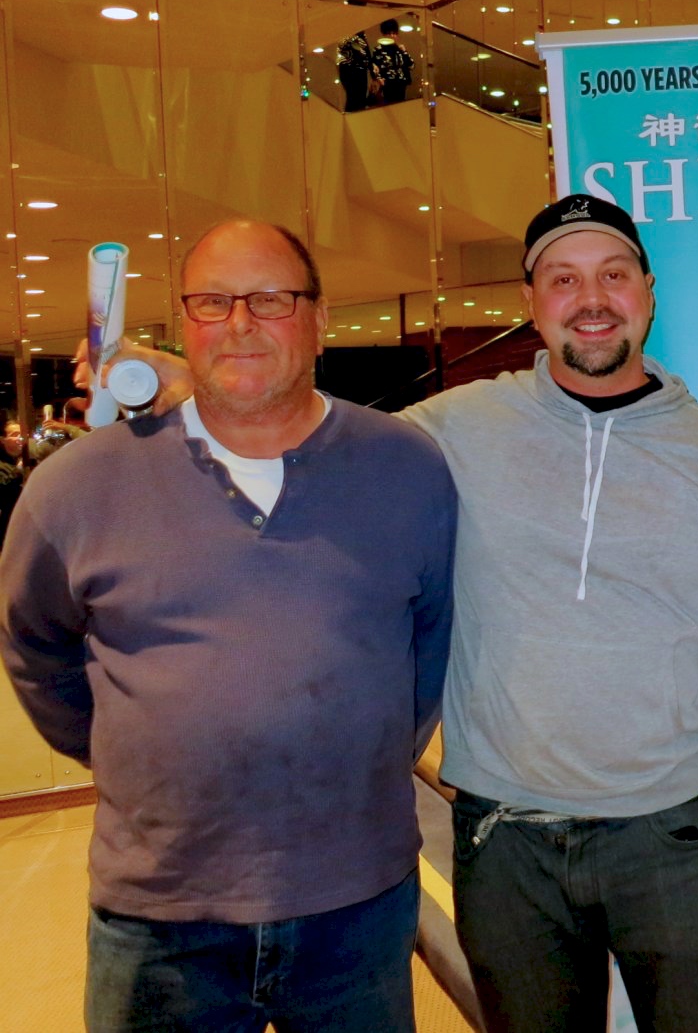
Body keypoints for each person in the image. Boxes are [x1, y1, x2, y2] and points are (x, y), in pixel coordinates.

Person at [107, 194, 698, 1032]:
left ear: (647, 292)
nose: (591, 298)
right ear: (532, 302)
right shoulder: (455, 428)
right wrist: (197, 386)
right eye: (563, 279)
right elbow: (312, 443)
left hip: (668, 836)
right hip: (505, 845)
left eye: (613, 274)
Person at [0, 219, 457, 1032]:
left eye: (270, 298)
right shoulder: (78, 485)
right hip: (158, 914)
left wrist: (359, 747)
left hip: (355, 903)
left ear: (319, 319)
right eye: (213, 301)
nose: (240, 322)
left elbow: (428, 649)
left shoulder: (406, 466)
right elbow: (35, 646)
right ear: (183, 323)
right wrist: (135, 751)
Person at [372, 18, 414, 105]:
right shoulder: (378, 50)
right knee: (389, 104)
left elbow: (411, 65)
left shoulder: (400, 49)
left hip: (401, 82)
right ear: (384, 34)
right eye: (389, 33)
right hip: (387, 83)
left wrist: (404, 52)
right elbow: (374, 66)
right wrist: (379, 79)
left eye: (394, 33)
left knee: (401, 104)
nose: (392, 36)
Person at [336, 29, 372, 112]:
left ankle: (356, 113)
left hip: (358, 68)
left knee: (358, 97)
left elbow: (367, 54)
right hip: (350, 67)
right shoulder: (348, 36)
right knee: (354, 96)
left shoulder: (361, 36)